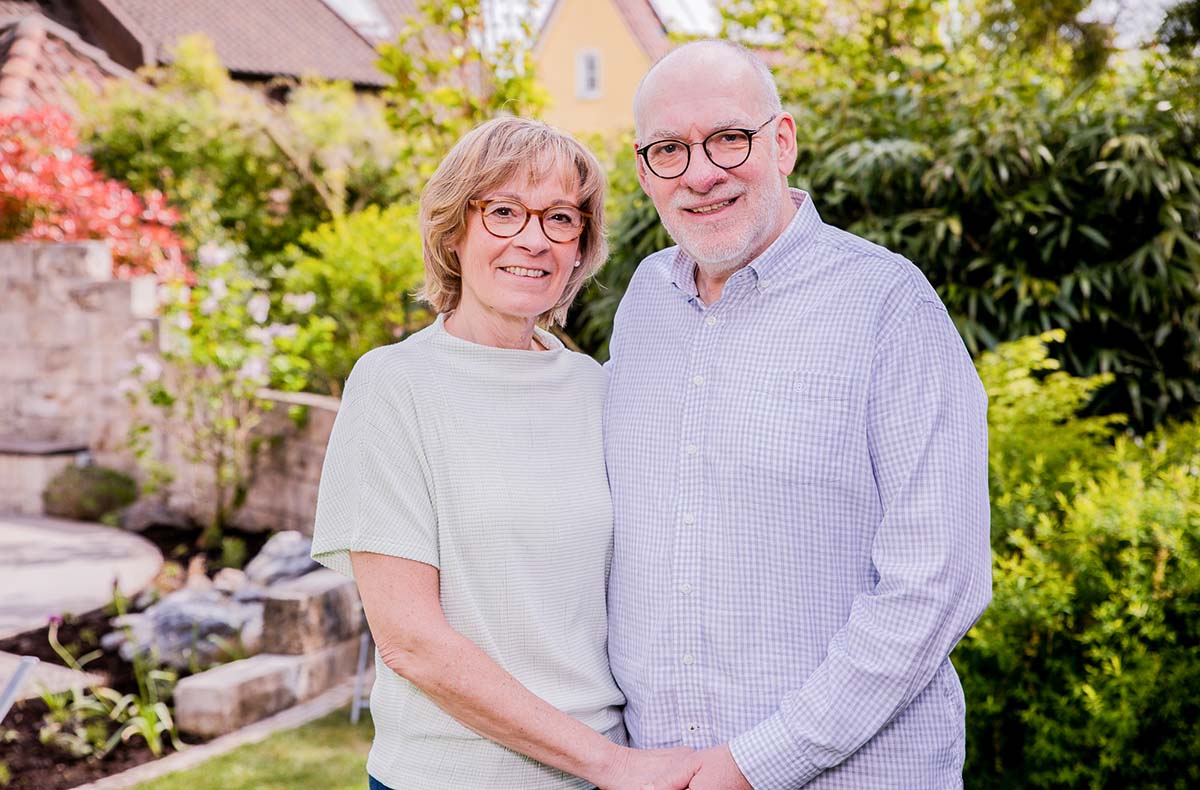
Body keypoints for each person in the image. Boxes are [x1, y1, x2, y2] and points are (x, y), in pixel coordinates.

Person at [604, 40, 993, 789]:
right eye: (668, 150)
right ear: (643, 167)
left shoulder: (889, 306)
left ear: (781, 142)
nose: (700, 173)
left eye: (728, 137)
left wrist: (755, 764)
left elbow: (938, 581)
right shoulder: (644, 303)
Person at [310, 117, 691, 790]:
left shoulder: (595, 387)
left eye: (560, 219)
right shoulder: (394, 385)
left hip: (602, 773)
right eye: (505, 211)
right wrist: (611, 765)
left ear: (581, 246)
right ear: (455, 229)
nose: (534, 239)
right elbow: (411, 642)